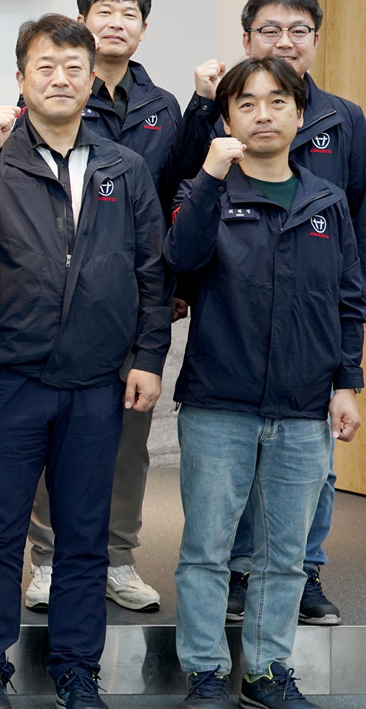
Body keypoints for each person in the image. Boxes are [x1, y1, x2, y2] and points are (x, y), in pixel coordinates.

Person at [0, 15, 170, 709]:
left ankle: (77, 667)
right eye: (45, 67)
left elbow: (151, 270)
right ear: (20, 79)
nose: (61, 79)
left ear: (91, 79)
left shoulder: (122, 166)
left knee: (83, 533)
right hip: (13, 374)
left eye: (74, 67)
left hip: (97, 380)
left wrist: (148, 355)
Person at [168, 55, 363, 709]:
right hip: (218, 402)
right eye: (246, 104)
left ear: (300, 115)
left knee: (285, 553)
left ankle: (267, 670)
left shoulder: (326, 200)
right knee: (207, 548)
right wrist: (208, 176)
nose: (263, 115)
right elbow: (180, 259)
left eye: (278, 101)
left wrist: (347, 382)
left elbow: (348, 298)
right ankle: (204, 671)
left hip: (304, 405)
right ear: (227, 119)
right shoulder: (206, 192)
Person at [24, 0, 184, 615]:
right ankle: (48, 559)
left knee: (127, 443)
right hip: (57, 305)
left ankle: (117, 558)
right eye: (104, 11)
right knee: (50, 440)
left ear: (143, 28)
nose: (116, 22)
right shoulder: (51, 96)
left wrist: (168, 292)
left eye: (129, 14)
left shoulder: (162, 107)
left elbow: (176, 198)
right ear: (83, 21)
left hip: (133, 297)